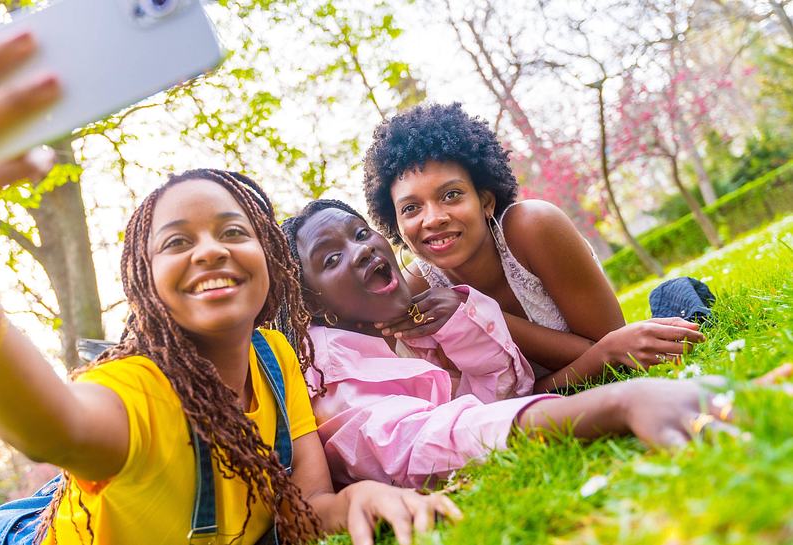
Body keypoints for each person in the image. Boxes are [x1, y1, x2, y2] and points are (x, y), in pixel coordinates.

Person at [0, 27, 460, 545]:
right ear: (148, 286)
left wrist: (357, 501)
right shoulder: (139, 393)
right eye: (177, 242)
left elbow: (307, 506)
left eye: (233, 231)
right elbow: (43, 424)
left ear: (271, 261)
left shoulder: (276, 361)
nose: (210, 249)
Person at [280, 199, 739, 488]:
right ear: (316, 307)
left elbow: (506, 389)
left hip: (566, 368)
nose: (362, 249)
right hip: (572, 379)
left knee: (674, 304)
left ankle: (676, 309)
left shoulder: (401, 324)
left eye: (361, 233)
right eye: (332, 257)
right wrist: (618, 402)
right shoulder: (333, 377)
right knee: (670, 313)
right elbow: (432, 439)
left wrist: (458, 320)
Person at [361, 102, 706, 391]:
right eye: (411, 208)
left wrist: (476, 312)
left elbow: (621, 354)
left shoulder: (534, 227)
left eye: (451, 195)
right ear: (396, 225)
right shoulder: (417, 295)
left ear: (485, 201)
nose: (433, 218)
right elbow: (490, 406)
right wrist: (600, 357)